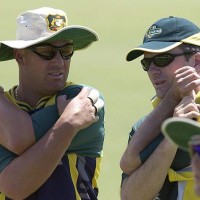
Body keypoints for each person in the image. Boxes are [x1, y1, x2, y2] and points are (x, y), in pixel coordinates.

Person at [0, 7, 105, 200]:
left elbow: (15, 184)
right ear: (20, 56)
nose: (59, 61)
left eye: (66, 51)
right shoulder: (73, 110)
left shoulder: (82, 99)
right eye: (47, 52)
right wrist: (69, 122)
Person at [120, 16, 200, 200]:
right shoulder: (146, 127)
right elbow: (131, 196)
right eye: (147, 63)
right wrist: (172, 137)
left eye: (163, 59)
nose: (153, 70)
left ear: (196, 61)